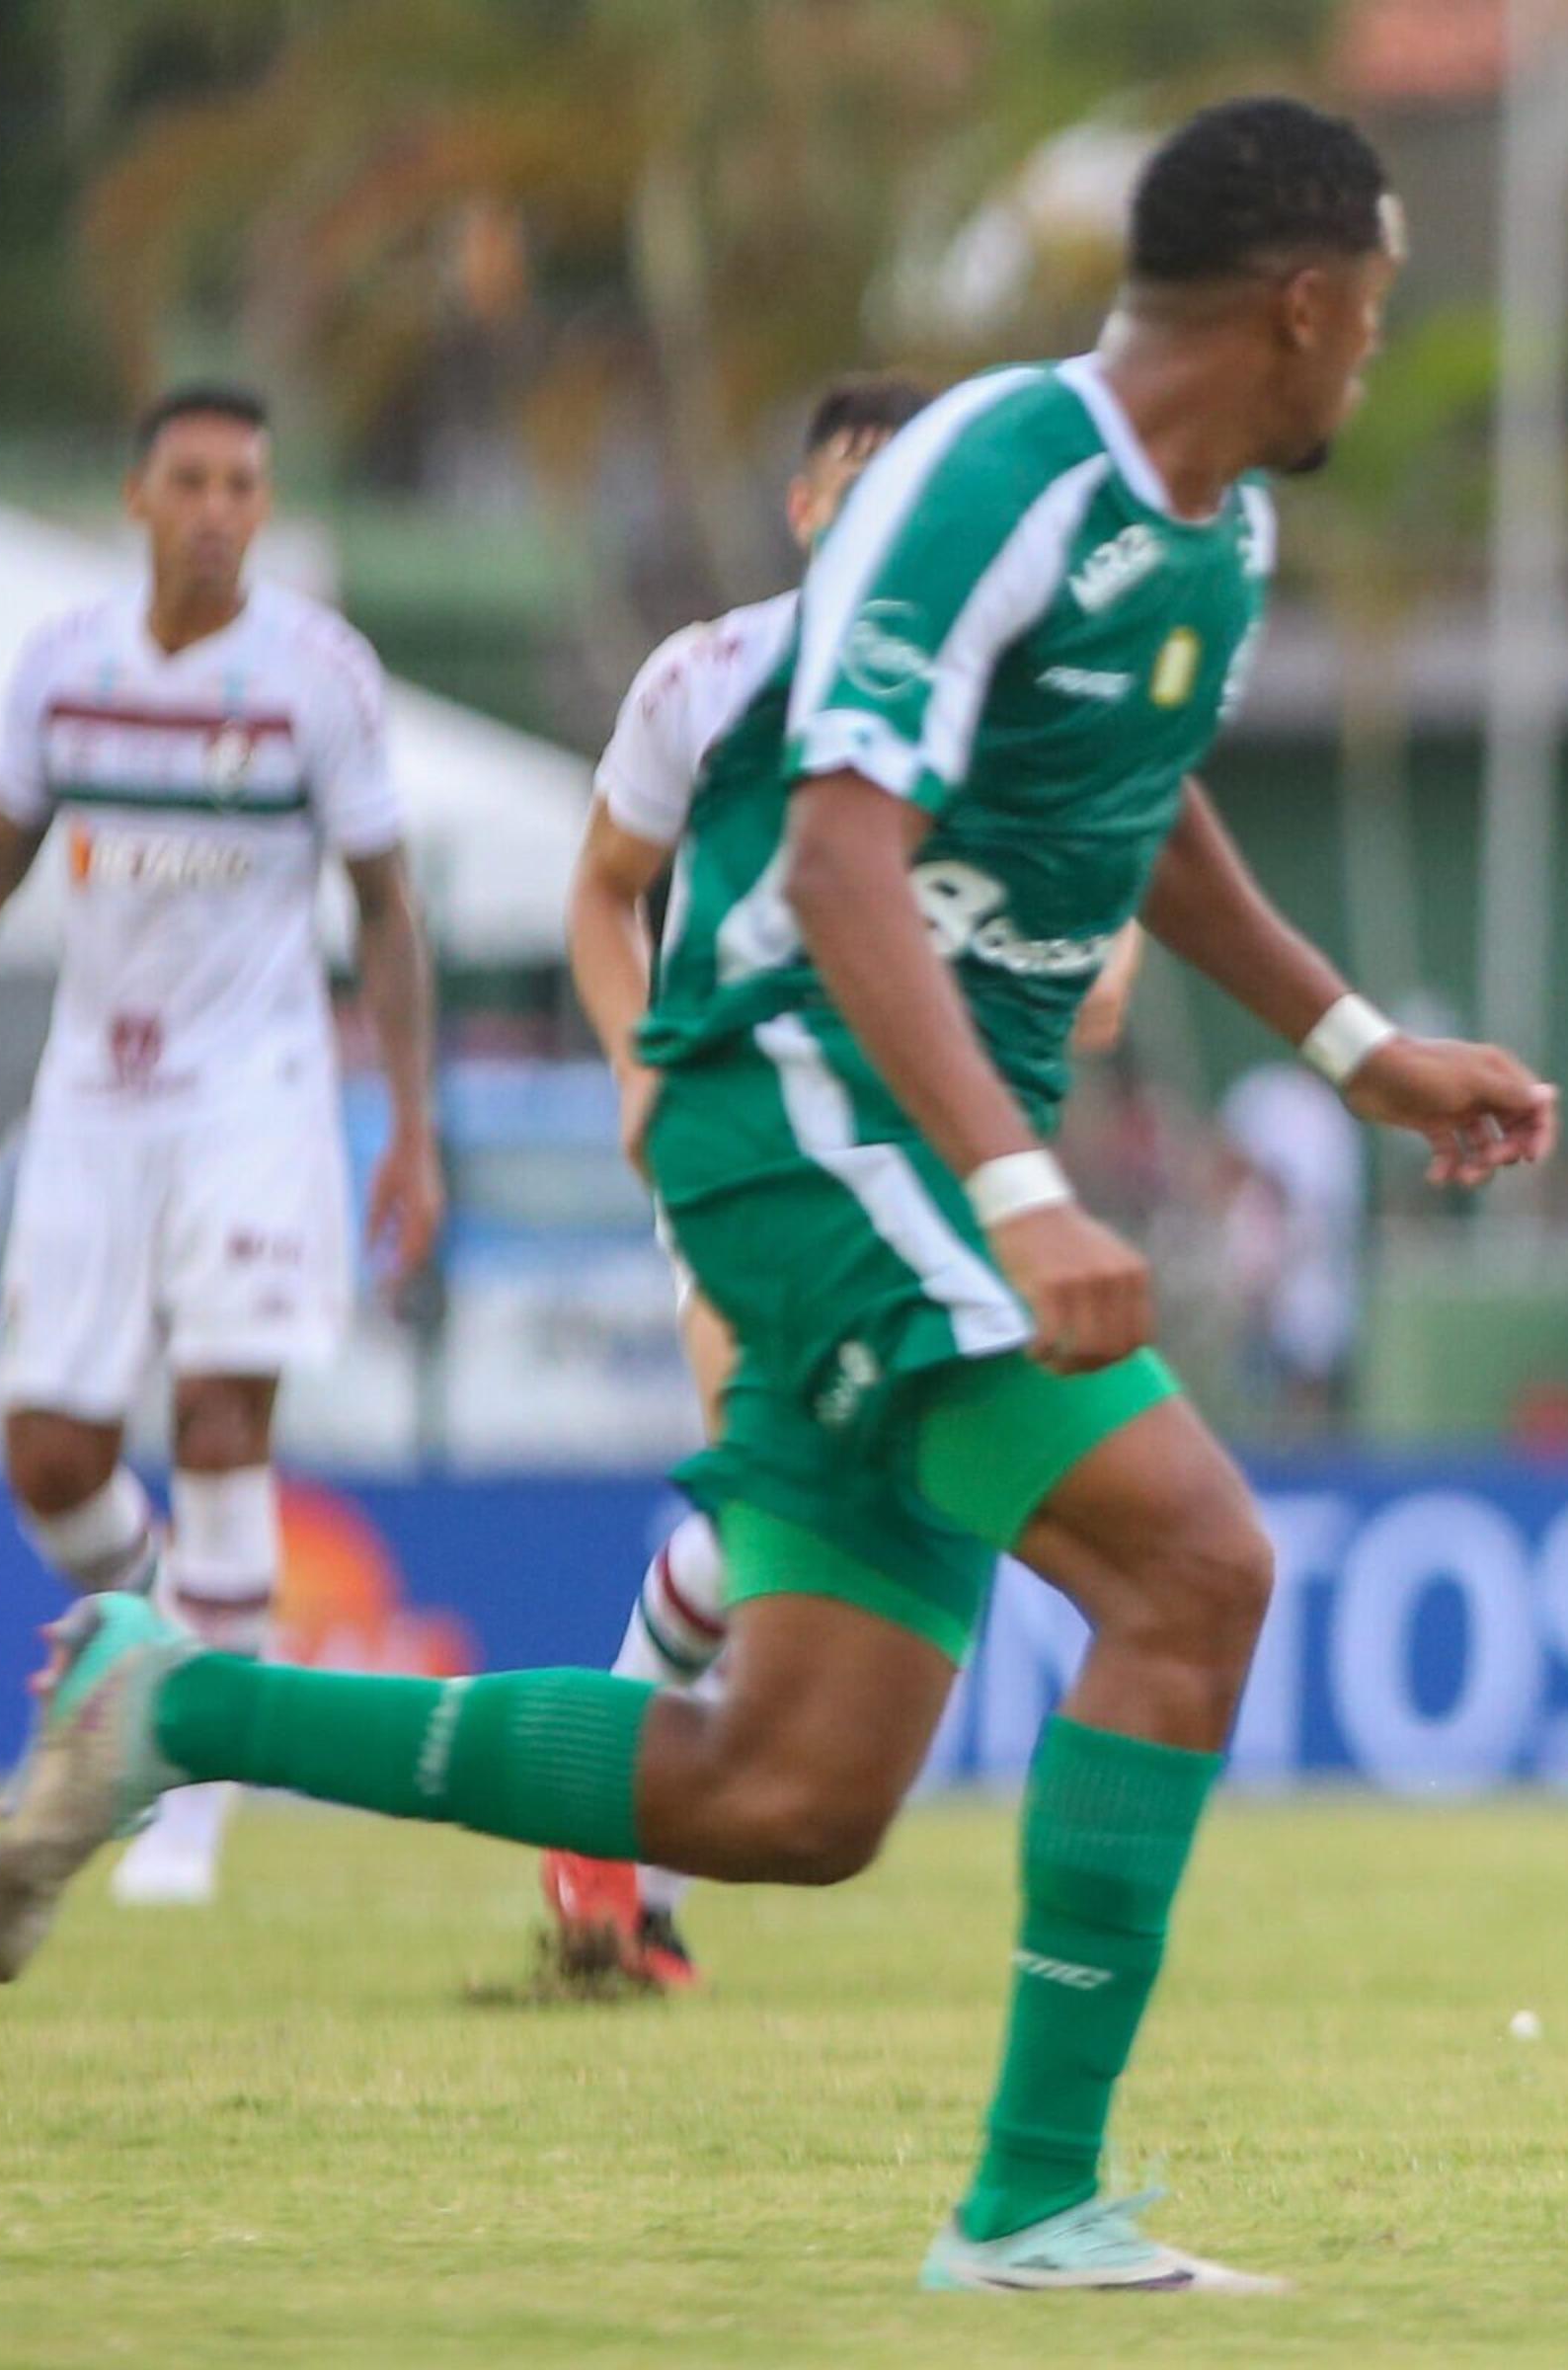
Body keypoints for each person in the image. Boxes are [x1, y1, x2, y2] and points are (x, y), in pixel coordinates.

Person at [0, 97, 1557, 2296]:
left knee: (787, 1799)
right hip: (806, 1107)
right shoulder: (1004, 475)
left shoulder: (1219, 535)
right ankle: (1031, 2207)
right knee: (1197, 1569)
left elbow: (1146, 803)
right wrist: (1016, 1188)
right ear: (1302, 304)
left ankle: (173, 1703)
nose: (1372, 356)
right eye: (1372, 314)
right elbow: (832, 856)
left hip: (906, 1142)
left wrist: (1364, 1053)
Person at [0, 382, 442, 1909]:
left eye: (244, 486)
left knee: (221, 1419)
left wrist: (406, 1125)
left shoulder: (319, 678)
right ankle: (146, 1656)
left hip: (256, 1098)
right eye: (192, 481)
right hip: (94, 1100)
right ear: (138, 496)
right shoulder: (64, 671)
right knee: (52, 1453)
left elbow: (386, 909)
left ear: (264, 508)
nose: (218, 510)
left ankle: (194, 1796)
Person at [535, 370, 933, 1993]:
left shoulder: (971, 694)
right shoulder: (706, 676)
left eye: (916, 488)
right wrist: (640, 1063)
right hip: (745, 1147)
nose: (882, 513)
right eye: (856, 482)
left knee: (814, 1513)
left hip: (910, 1162)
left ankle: (605, 1829)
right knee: (769, 1477)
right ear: (804, 505)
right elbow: (602, 894)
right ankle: (608, 1851)